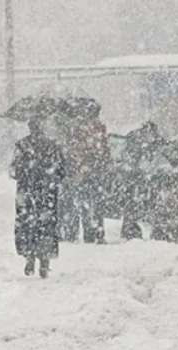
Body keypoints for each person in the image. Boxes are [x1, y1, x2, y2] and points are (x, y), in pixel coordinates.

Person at [9, 118, 65, 278]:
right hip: (47, 193)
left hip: (25, 193)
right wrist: (49, 175)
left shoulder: (21, 146)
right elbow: (61, 171)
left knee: (27, 225)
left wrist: (26, 173)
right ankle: (45, 259)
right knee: (46, 224)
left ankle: (29, 255)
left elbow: (13, 171)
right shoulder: (53, 146)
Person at [60, 97, 110, 244]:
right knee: (97, 204)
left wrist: (76, 166)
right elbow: (104, 150)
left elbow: (73, 150)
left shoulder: (76, 128)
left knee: (81, 203)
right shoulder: (98, 128)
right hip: (95, 172)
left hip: (81, 172)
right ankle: (97, 232)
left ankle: (84, 232)